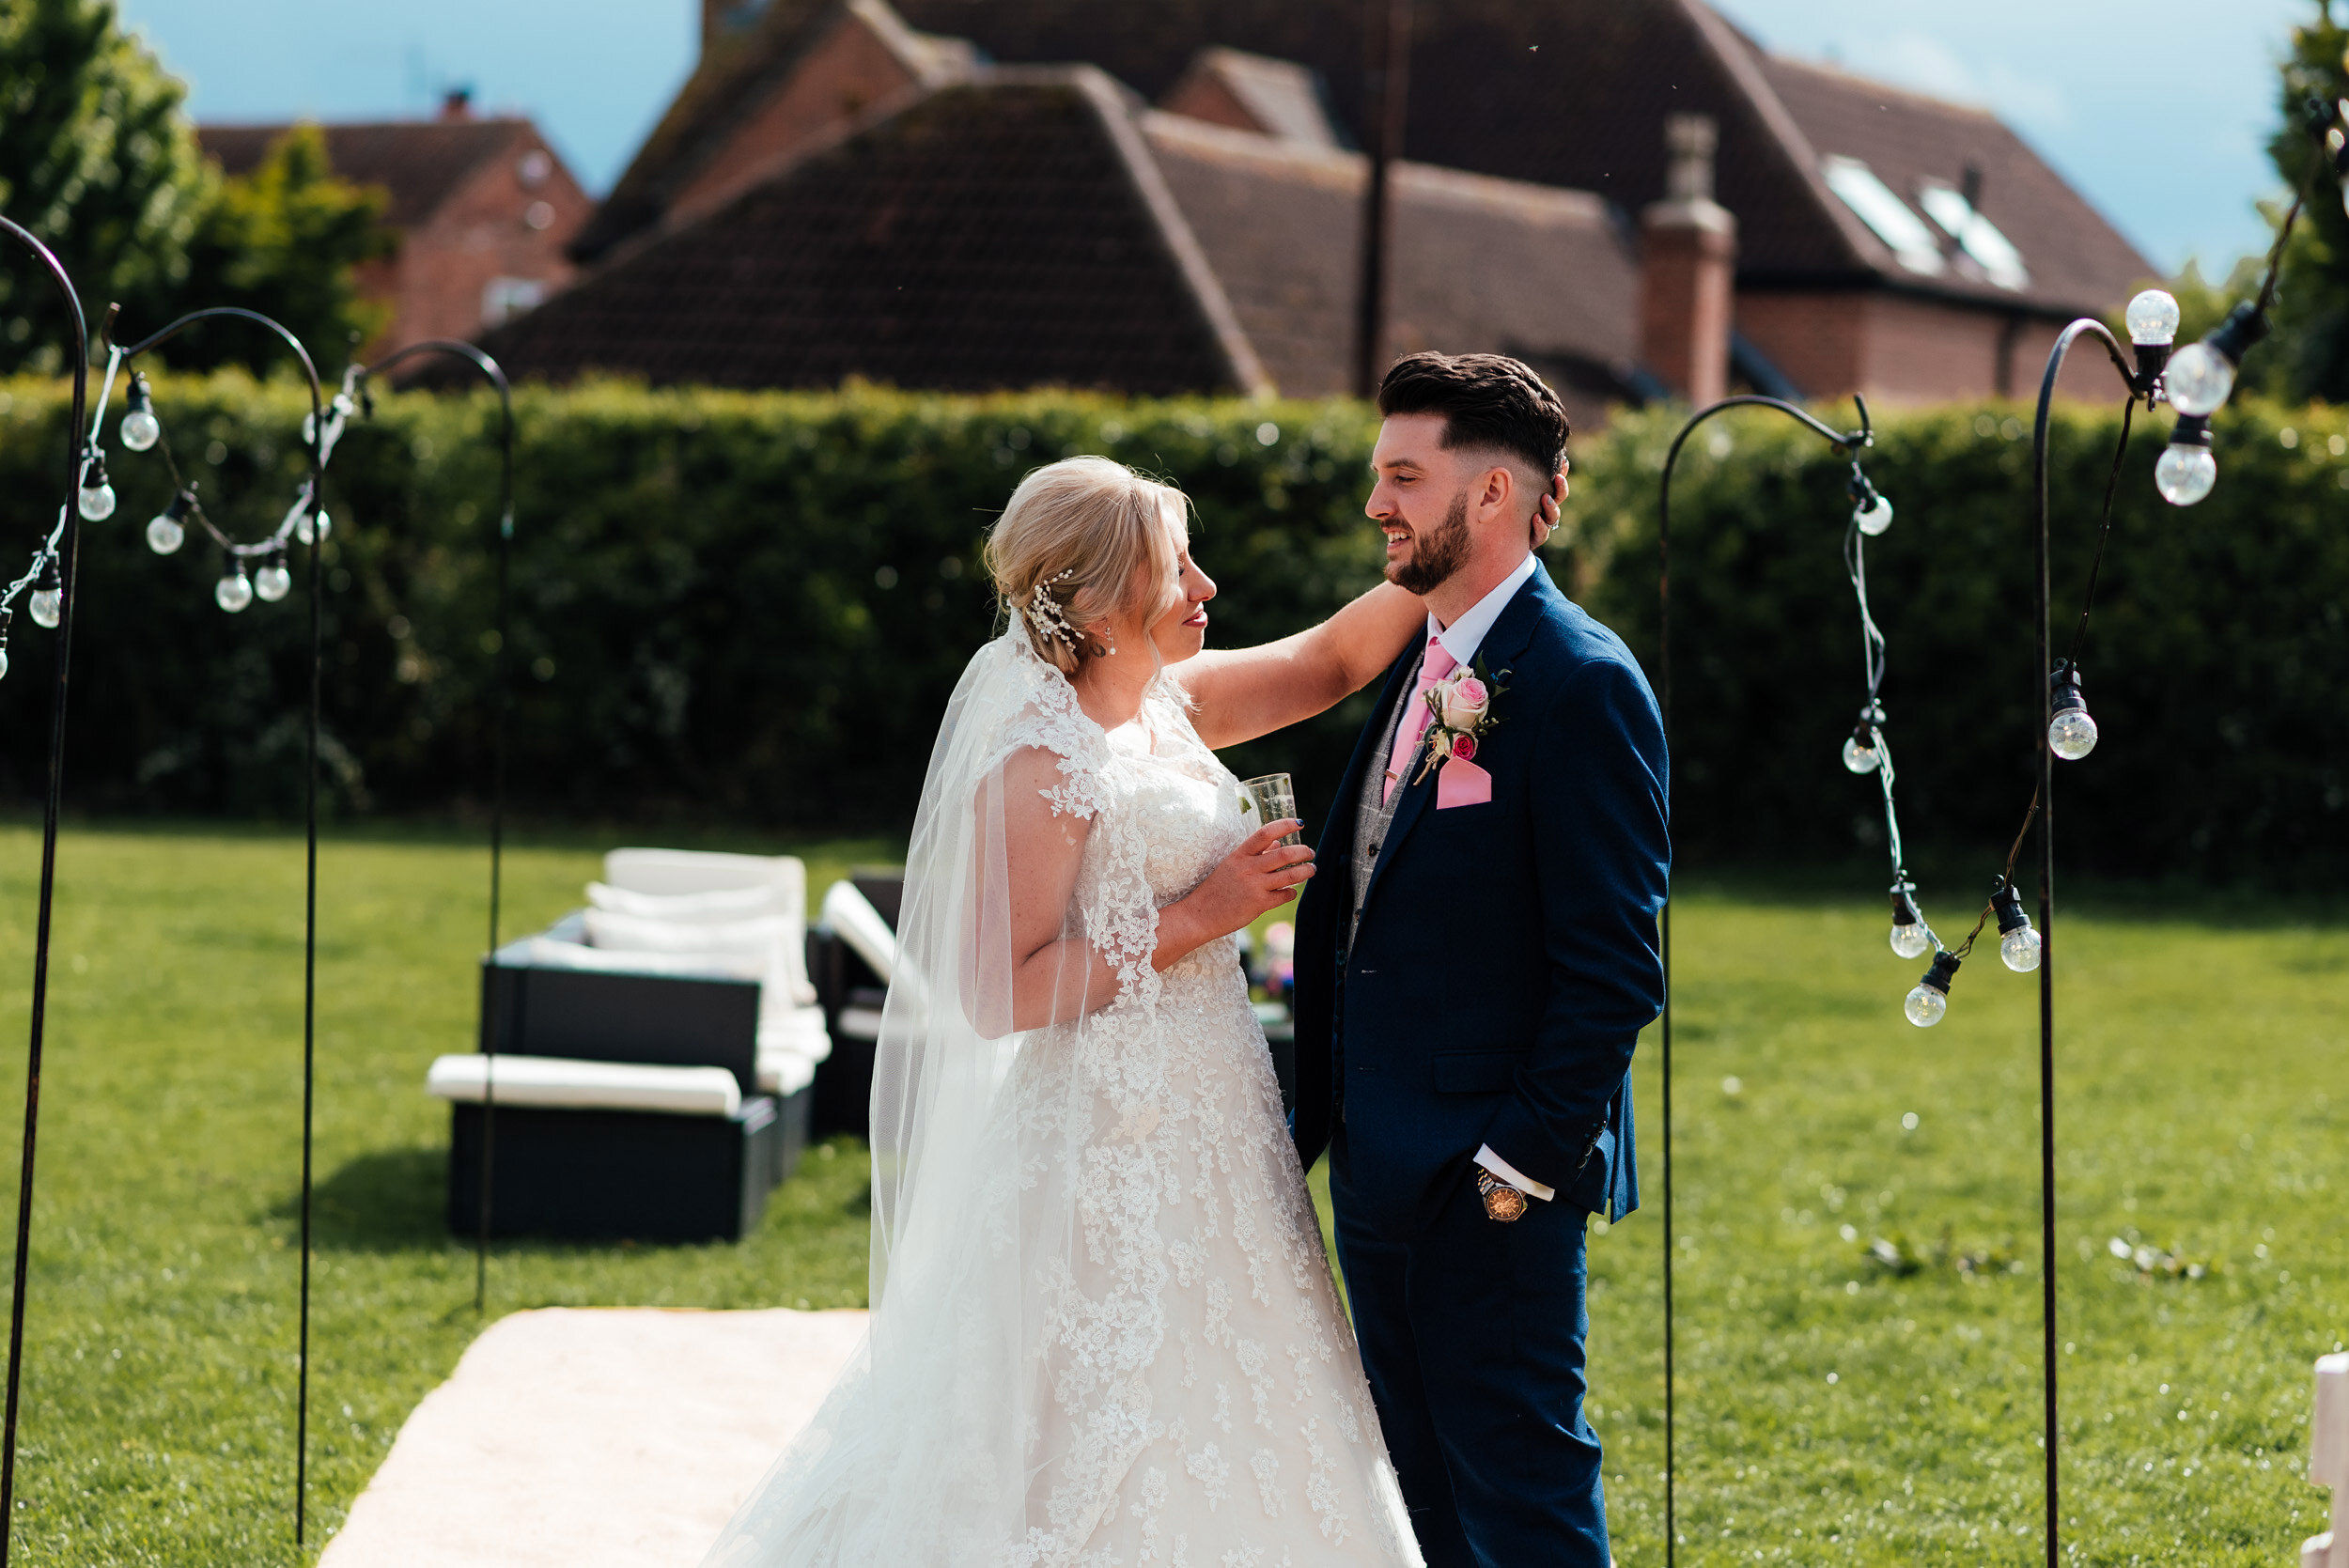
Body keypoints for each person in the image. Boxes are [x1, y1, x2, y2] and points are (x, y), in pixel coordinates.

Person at [703, 452, 1562, 1567]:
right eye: (1177, 567)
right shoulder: (1038, 760)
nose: (1207, 586)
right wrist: (1205, 910)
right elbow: (998, 989)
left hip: (1220, 1107)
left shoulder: (1171, 702)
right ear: (1103, 600)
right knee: (1094, 1407)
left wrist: (1472, 553)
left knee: (1250, 1376)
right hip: (1102, 1135)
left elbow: (1331, 657)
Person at [1288, 352, 1670, 1568]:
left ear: (1494, 495)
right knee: (1419, 1495)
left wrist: (1518, 1166)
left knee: (1524, 1491)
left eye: (1405, 475)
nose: (1377, 504)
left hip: (1489, 1183)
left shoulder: (1580, 683)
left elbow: (1614, 964)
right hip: (1382, 1165)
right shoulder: (1427, 657)